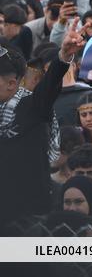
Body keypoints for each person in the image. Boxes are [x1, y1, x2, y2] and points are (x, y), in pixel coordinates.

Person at [0, 26, 79, 227]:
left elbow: (49, 86)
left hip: (28, 213)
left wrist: (63, 56)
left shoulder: (32, 106)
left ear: (11, 83)